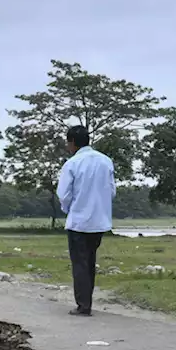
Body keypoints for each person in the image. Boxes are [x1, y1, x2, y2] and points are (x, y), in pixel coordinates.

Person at [56, 125, 115, 316]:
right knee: (90, 261)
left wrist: (69, 210)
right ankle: (87, 300)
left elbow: (64, 194)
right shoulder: (106, 162)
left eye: (68, 143)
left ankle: (84, 305)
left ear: (72, 142)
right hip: (99, 221)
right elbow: (112, 191)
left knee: (79, 262)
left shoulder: (72, 163)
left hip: (79, 220)